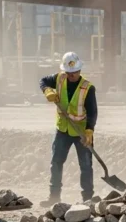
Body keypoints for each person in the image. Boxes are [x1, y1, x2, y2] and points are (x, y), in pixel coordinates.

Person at [40, 52, 97, 205]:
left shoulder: (88, 88)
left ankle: (88, 199)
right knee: (56, 162)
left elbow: (92, 111)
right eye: (69, 73)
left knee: (86, 166)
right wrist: (47, 90)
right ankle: (54, 197)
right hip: (63, 130)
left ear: (80, 70)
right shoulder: (59, 78)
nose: (72, 76)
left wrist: (89, 130)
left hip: (81, 132)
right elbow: (43, 81)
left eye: (75, 73)